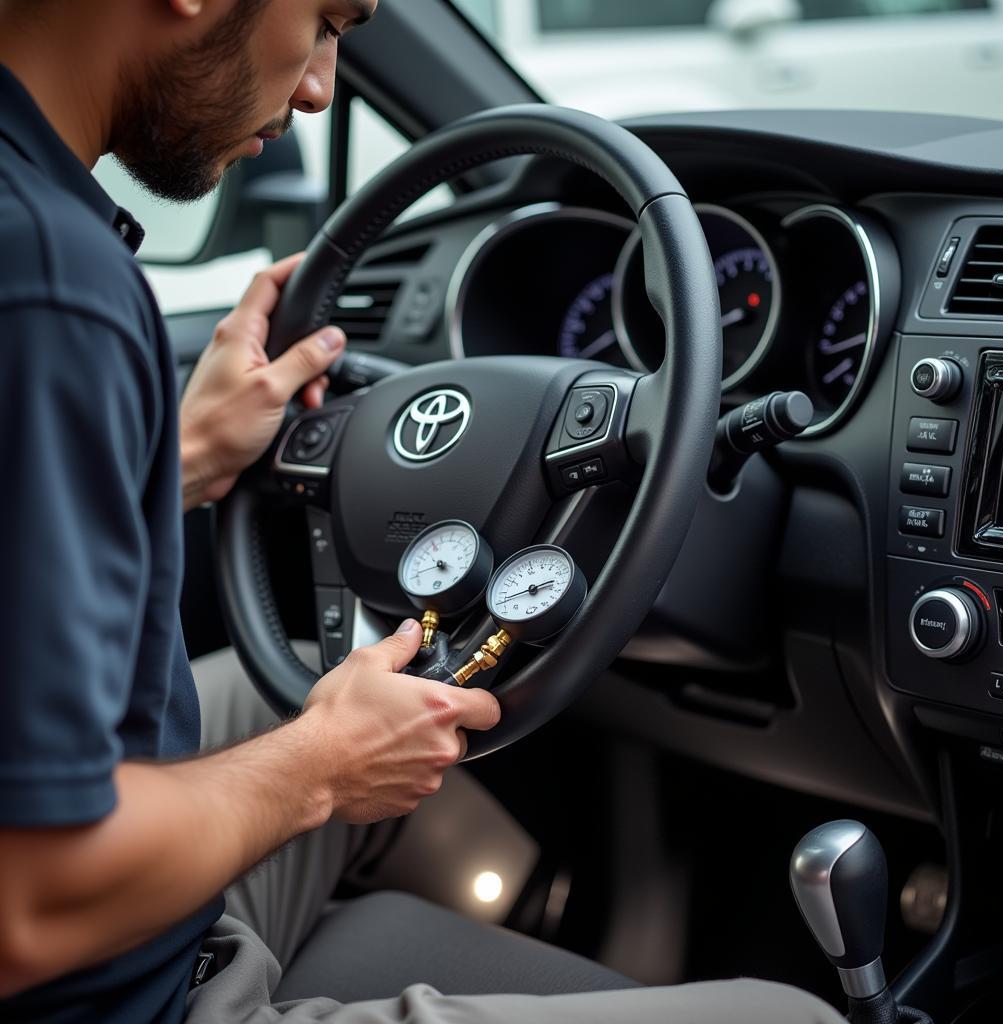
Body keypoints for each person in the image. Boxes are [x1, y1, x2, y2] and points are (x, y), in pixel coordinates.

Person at [0, 1, 849, 1021]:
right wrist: (317, 766)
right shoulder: (55, 288)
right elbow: (27, 904)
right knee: (792, 1017)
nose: (320, 85)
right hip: (105, 990)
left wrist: (175, 457)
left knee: (293, 699)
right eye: (325, 19)